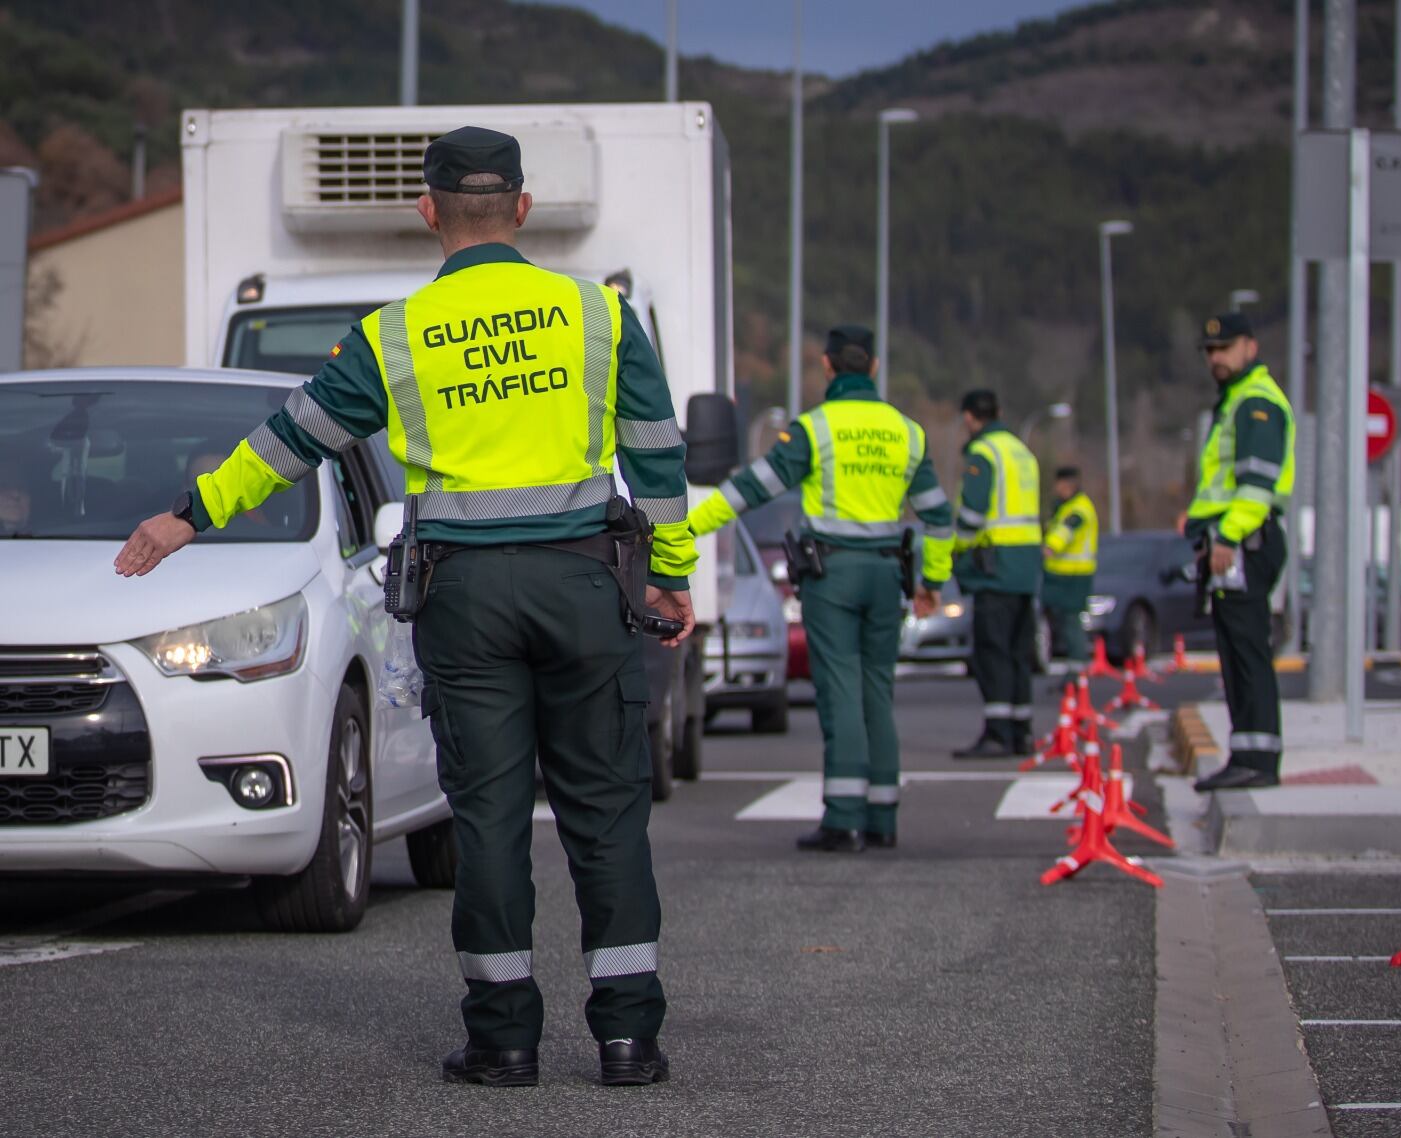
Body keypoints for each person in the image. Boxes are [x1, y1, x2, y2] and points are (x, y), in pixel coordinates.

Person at [114, 126, 694, 1089]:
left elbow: (291, 439)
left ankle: (505, 1039)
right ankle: (629, 1037)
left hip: (466, 600)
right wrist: (670, 572)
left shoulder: (394, 336)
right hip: (586, 586)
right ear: (521, 207)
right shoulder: (602, 315)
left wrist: (192, 514)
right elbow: (659, 457)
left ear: (427, 212)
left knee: (492, 816)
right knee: (605, 813)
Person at [686, 325, 951, 852]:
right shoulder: (908, 432)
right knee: (878, 689)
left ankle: (844, 819)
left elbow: (749, 490)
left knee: (840, 691)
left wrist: (686, 526)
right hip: (886, 576)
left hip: (833, 576)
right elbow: (940, 518)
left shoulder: (815, 429)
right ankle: (882, 817)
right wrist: (931, 582)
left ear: (828, 367)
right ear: (873, 367)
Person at [1182, 312, 1295, 791]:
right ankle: (1247, 753)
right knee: (1236, 653)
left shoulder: (1255, 404)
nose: (1215, 358)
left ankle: (1258, 760)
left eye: (1224, 348)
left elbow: (1255, 487)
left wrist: (1226, 538)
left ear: (1251, 346)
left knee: (1247, 653)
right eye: (1210, 351)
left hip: (1245, 542)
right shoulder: (1234, 402)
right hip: (1234, 541)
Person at [950, 390, 1043, 758]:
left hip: (995, 566)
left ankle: (997, 733)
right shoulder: (1023, 452)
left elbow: (972, 515)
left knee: (993, 651)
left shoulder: (984, 453)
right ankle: (1021, 731)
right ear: (999, 412)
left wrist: (956, 550)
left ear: (970, 418)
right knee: (1019, 652)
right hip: (1025, 566)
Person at [1040, 465, 1097, 669]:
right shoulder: (1064, 507)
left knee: (1072, 623)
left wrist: (1049, 547)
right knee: (1063, 623)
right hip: (1060, 574)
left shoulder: (1079, 509)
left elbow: (1065, 531)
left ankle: (1076, 672)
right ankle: (1072, 670)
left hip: (1074, 576)